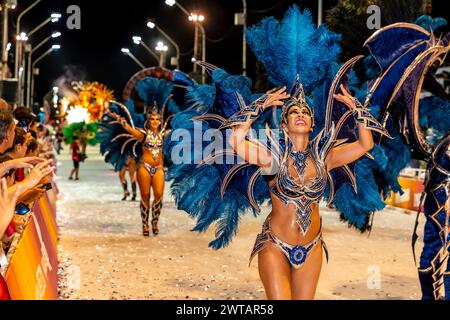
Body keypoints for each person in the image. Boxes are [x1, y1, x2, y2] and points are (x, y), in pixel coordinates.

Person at [113, 107, 169, 236]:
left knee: (159, 194)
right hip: (144, 167)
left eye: (157, 119)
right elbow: (131, 131)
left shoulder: (164, 135)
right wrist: (124, 124)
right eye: (152, 119)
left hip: (159, 168)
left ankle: (154, 222)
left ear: (160, 121)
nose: (154, 121)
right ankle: (145, 224)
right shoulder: (144, 134)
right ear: (148, 121)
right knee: (145, 195)